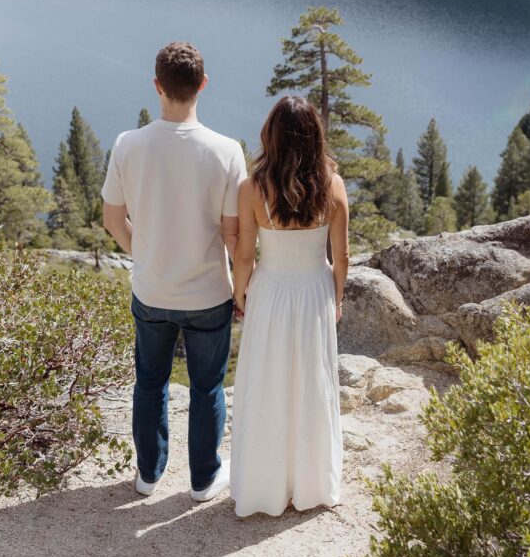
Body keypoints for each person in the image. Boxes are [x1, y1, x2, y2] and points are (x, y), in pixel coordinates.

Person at [101, 41, 247, 502]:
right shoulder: (227, 151)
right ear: (202, 85)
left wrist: (142, 253)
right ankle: (203, 480)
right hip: (208, 295)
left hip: (151, 290)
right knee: (206, 387)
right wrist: (244, 286)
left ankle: (148, 475)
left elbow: (111, 218)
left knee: (150, 382)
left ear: (157, 85)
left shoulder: (129, 144)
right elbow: (232, 234)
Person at [229, 95, 349, 517]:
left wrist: (240, 293)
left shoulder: (252, 188)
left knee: (268, 382)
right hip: (314, 291)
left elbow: (244, 254)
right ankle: (310, 481)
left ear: (271, 137)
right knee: (310, 383)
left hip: (272, 291)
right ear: (315, 137)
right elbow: (342, 256)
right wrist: (336, 300)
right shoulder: (333, 185)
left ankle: (265, 484)